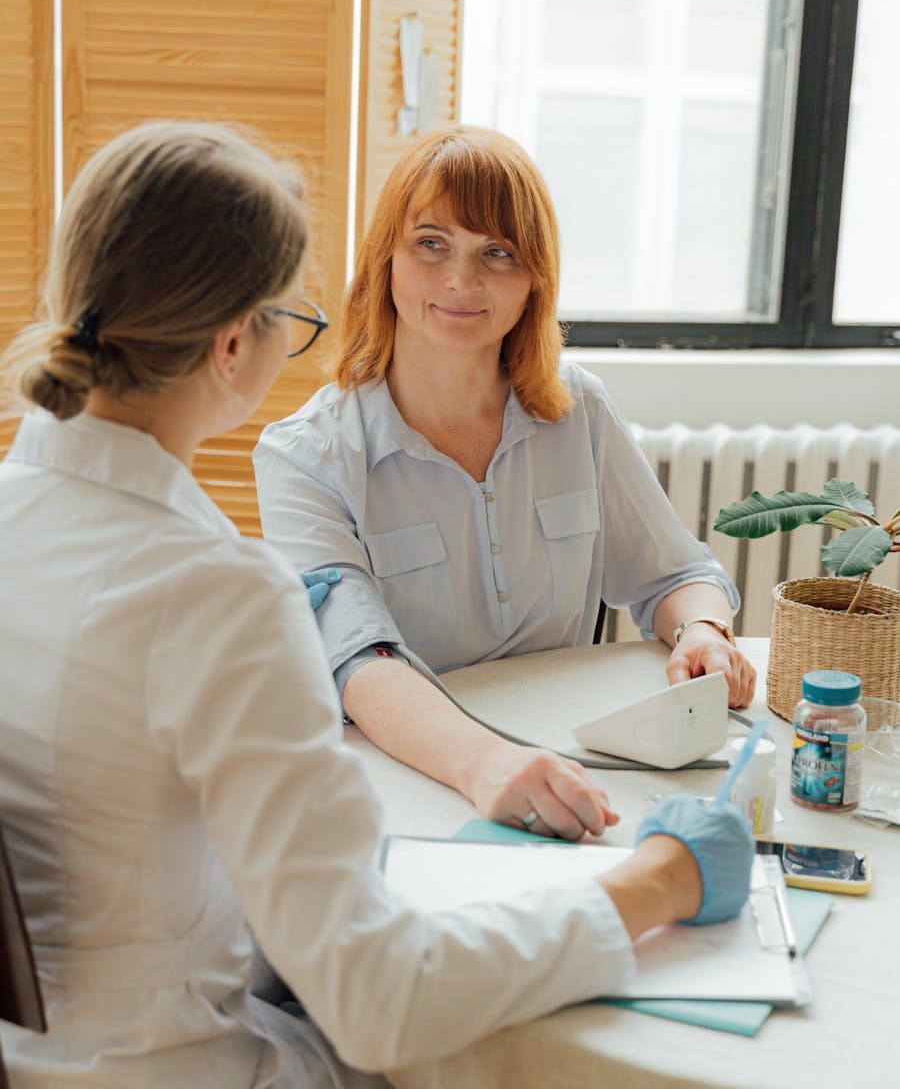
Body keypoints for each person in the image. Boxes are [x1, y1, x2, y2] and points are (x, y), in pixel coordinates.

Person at [0, 120, 754, 1088]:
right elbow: (381, 1001)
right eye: (290, 316)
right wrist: (660, 882)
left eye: (497, 254)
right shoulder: (222, 592)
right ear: (234, 344)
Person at [253, 124, 758, 840]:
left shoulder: (581, 411)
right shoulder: (305, 456)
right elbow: (359, 663)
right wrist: (487, 767)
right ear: (384, 260)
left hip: (575, 762)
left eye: (498, 253)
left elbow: (675, 574)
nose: (462, 280)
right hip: (407, 778)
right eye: (431, 244)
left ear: (533, 282)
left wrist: (701, 631)